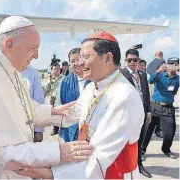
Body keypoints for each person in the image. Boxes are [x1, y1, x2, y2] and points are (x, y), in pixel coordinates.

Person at [0, 16, 93, 179]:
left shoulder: (11, 70)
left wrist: (53, 112)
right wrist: (56, 152)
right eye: (33, 48)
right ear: (9, 44)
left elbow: (23, 110)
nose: (36, 55)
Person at [15, 31, 144, 179]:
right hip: (84, 168)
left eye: (86, 57)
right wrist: (31, 116)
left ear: (108, 58)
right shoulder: (92, 87)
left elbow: (100, 157)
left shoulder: (124, 97)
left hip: (112, 173)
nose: (80, 63)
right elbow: (69, 116)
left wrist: (52, 174)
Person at [121, 49, 152, 178]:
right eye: (129, 60)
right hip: (128, 114)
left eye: (135, 60)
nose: (132, 62)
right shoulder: (121, 75)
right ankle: (126, 166)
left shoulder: (143, 74)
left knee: (139, 140)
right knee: (127, 141)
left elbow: (146, 94)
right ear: (125, 61)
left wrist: (149, 111)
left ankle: (139, 165)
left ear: (139, 61)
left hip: (143, 114)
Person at [142, 57, 179, 159]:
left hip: (167, 107)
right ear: (167, 65)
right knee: (148, 129)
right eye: (171, 64)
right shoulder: (160, 74)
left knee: (170, 131)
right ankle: (142, 149)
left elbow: (175, 91)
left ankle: (166, 149)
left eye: (175, 65)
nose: (172, 67)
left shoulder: (177, 79)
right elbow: (150, 81)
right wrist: (158, 71)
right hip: (154, 105)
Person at [54, 48, 90, 142]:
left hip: (90, 130)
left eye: (78, 59)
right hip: (69, 130)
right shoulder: (64, 82)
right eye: (72, 61)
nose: (76, 63)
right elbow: (58, 105)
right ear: (69, 63)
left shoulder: (93, 79)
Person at [21, 65, 45, 142]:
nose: (35, 56)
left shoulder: (33, 73)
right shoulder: (0, 69)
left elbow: (39, 101)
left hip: (26, 127)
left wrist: (39, 129)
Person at [147, 51, 165, 138]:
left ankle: (152, 130)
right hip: (159, 89)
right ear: (161, 56)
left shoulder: (149, 64)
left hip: (150, 88)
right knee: (160, 113)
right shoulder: (162, 62)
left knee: (154, 112)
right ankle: (158, 130)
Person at [44, 63, 64, 135]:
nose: (56, 70)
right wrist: (50, 80)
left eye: (58, 69)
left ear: (60, 70)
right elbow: (46, 89)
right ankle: (55, 129)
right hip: (53, 98)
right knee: (54, 114)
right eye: (54, 69)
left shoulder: (64, 78)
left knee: (62, 113)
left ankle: (63, 129)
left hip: (61, 98)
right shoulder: (50, 80)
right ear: (52, 70)